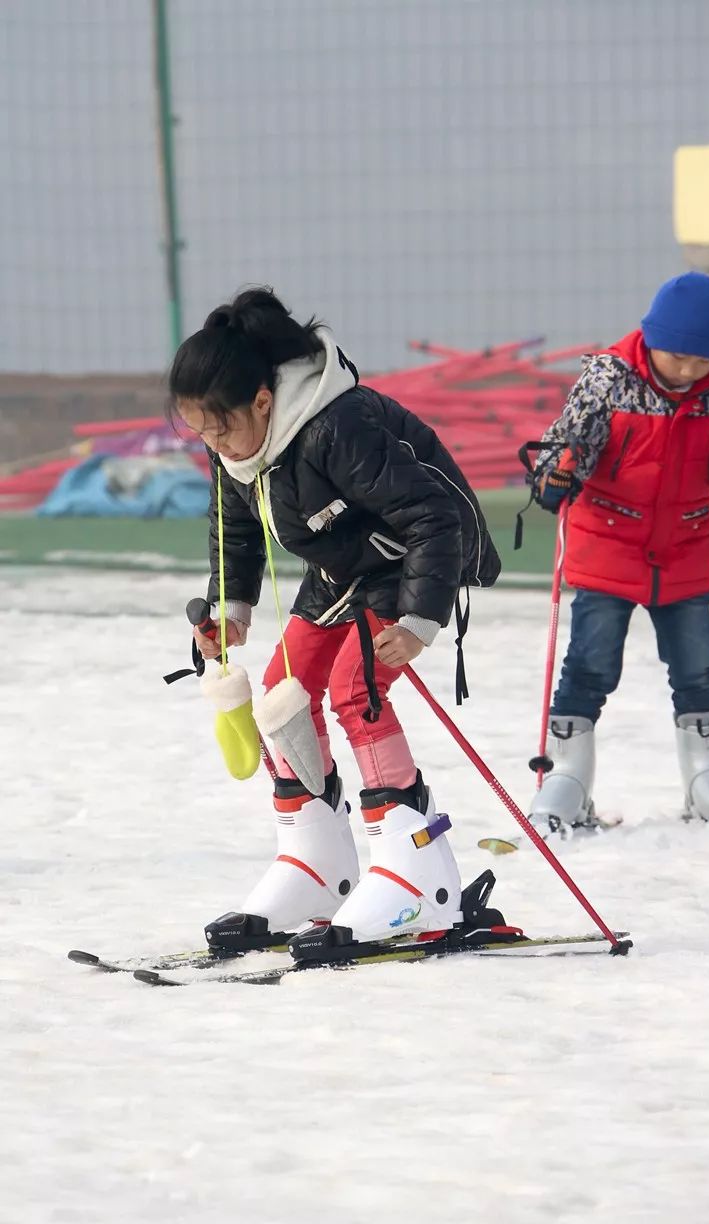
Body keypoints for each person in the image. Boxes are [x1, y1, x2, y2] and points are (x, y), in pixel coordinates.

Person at [167, 287, 500, 952]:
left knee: (358, 686)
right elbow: (234, 529)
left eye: (220, 426)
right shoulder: (233, 439)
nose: (212, 440)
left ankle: (418, 878)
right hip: (343, 570)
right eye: (198, 428)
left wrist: (418, 619)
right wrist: (230, 611)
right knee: (284, 694)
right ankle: (317, 864)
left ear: (264, 400)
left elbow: (437, 516)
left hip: (410, 559)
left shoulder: (333, 428)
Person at [529, 271, 709, 836]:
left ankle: (707, 776)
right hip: (607, 541)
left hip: (685, 548)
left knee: (698, 665)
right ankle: (567, 780)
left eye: (702, 361)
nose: (688, 370)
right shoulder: (609, 378)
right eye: (677, 356)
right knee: (591, 663)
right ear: (652, 337)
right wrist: (555, 476)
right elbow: (566, 442)